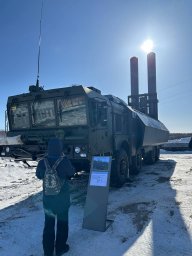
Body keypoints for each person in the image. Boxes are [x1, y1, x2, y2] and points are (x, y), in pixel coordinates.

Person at [36, 138, 75, 256]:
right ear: (60, 148)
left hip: (48, 200)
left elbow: (38, 175)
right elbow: (72, 173)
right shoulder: (64, 161)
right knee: (62, 224)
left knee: (48, 225)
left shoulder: (43, 162)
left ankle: (48, 251)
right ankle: (60, 248)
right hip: (62, 201)